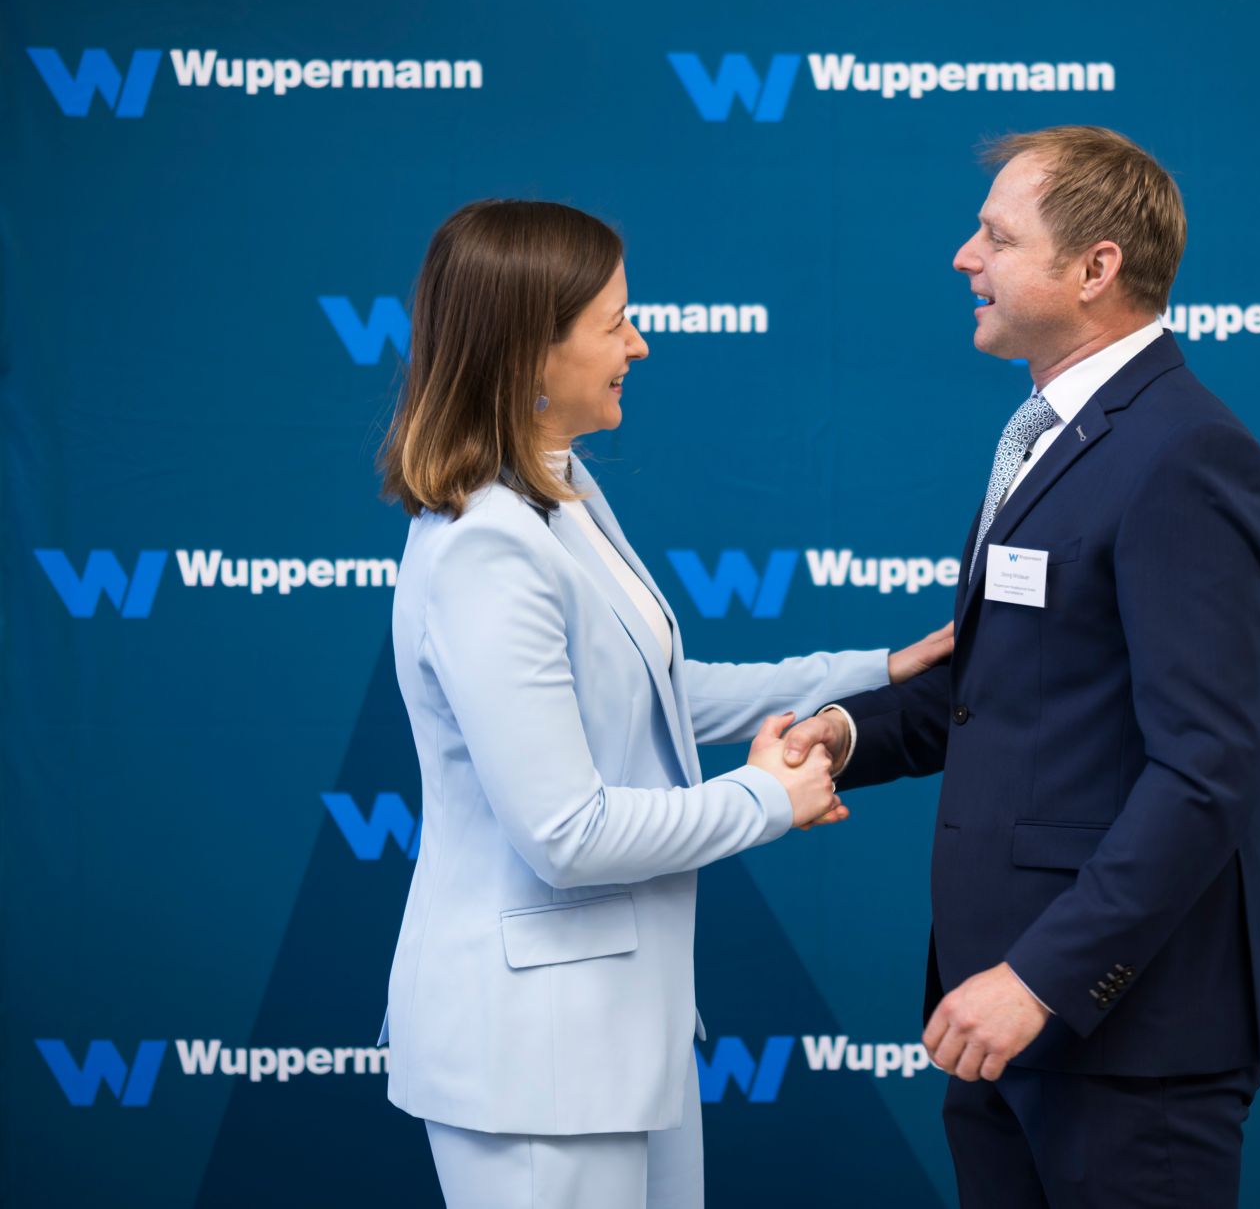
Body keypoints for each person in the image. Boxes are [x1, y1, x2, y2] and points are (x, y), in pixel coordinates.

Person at [374, 199, 953, 1209]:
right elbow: (568, 831)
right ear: (528, 353)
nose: (638, 344)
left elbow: (652, 695)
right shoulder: (488, 547)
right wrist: (768, 799)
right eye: (614, 324)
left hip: (620, 1038)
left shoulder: (564, 492)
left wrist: (873, 669)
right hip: (532, 1060)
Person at [781, 127, 1260, 1208]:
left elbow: (1204, 773)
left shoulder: (1183, 452)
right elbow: (1012, 693)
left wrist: (1040, 978)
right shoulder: (1049, 433)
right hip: (1000, 1020)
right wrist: (848, 732)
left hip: (1120, 1034)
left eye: (995, 236)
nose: (963, 257)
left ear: (1094, 268)